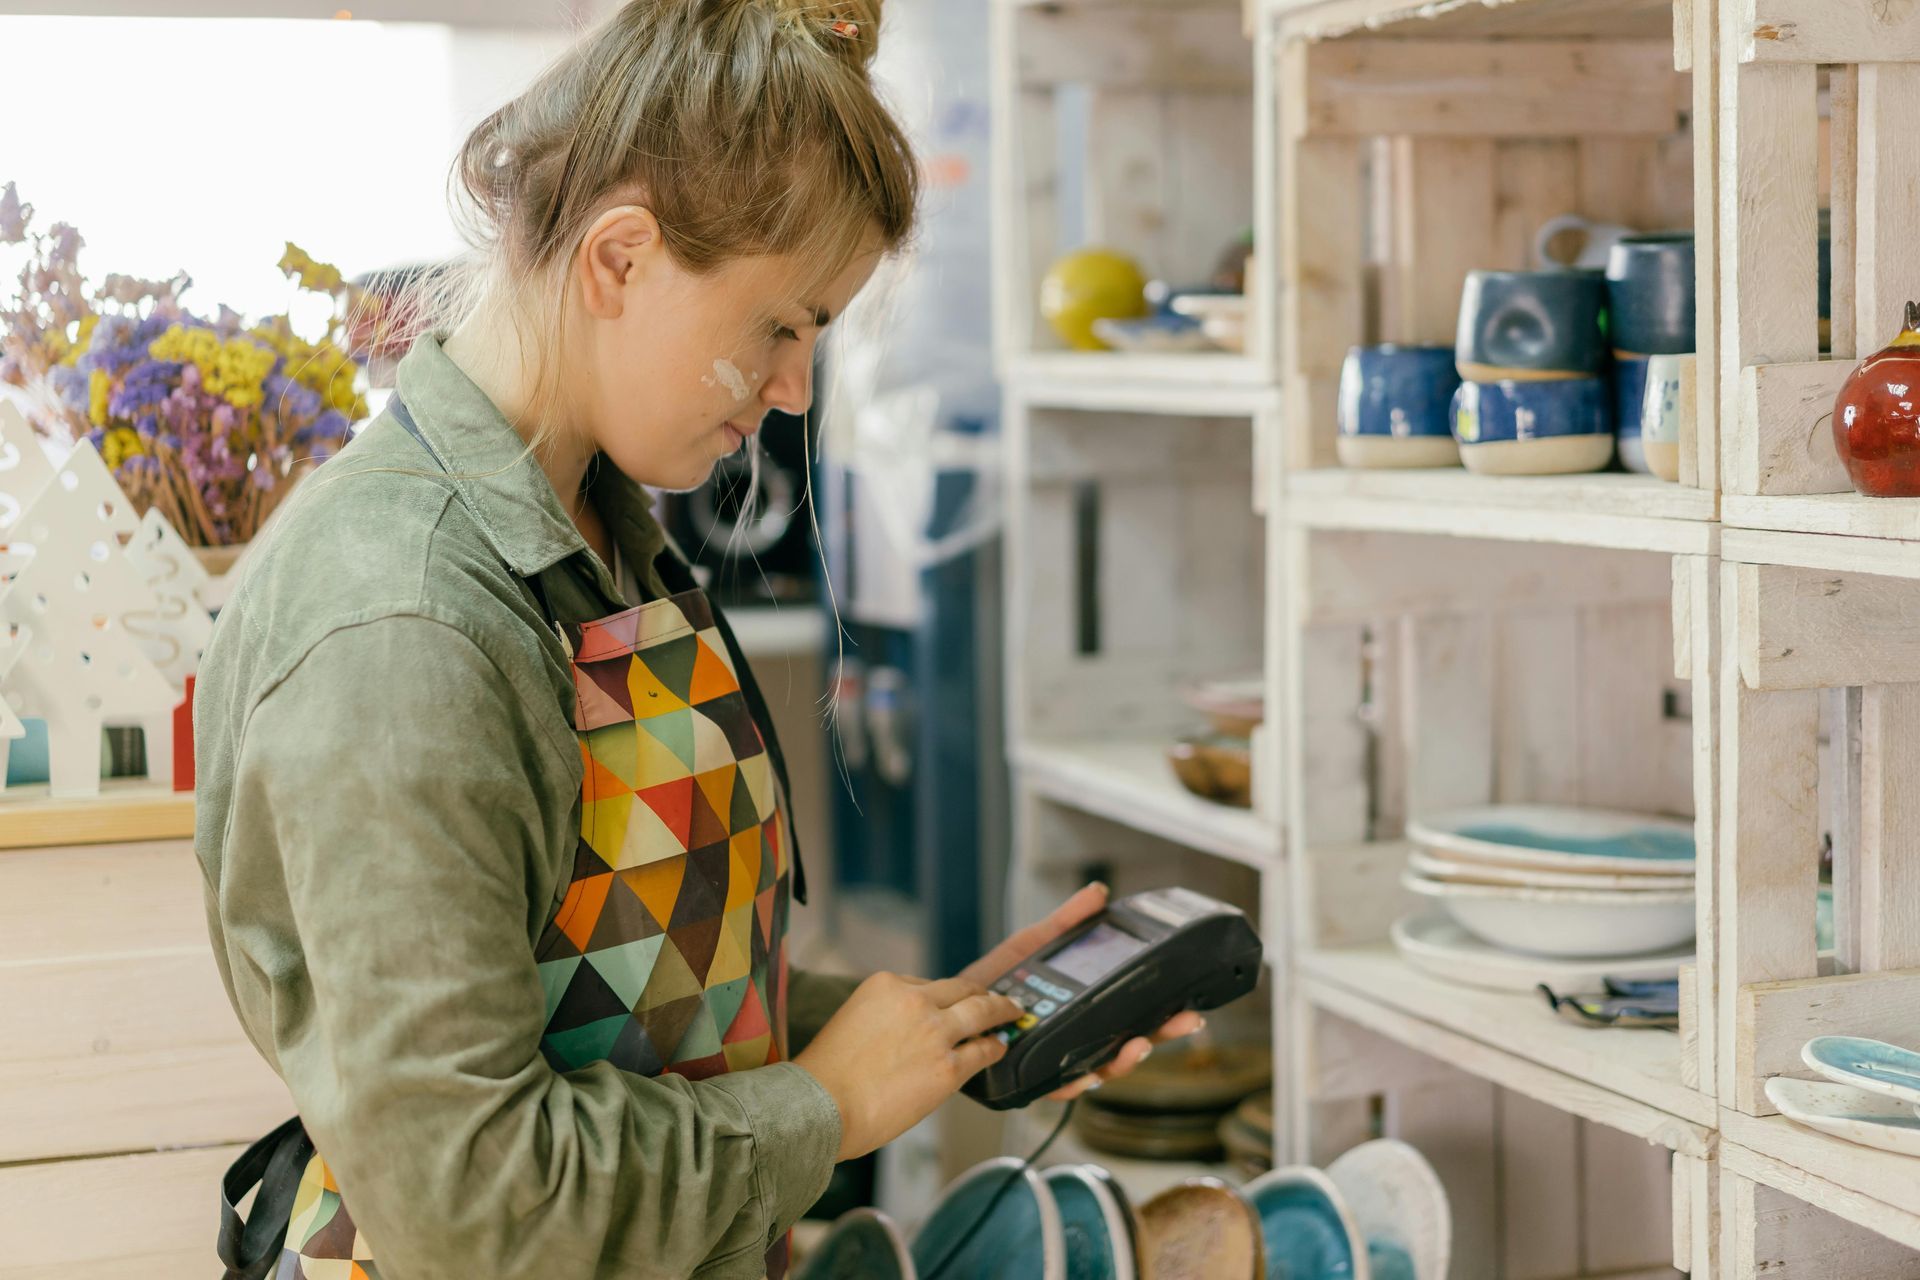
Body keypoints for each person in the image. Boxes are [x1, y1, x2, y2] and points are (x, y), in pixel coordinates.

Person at [196, 3, 1198, 1277]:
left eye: (817, 335)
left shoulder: (608, 535)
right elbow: (471, 1194)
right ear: (619, 259)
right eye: (780, 326)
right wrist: (825, 1109)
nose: (795, 391)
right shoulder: (401, 625)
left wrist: (941, 1034)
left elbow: (622, 999)